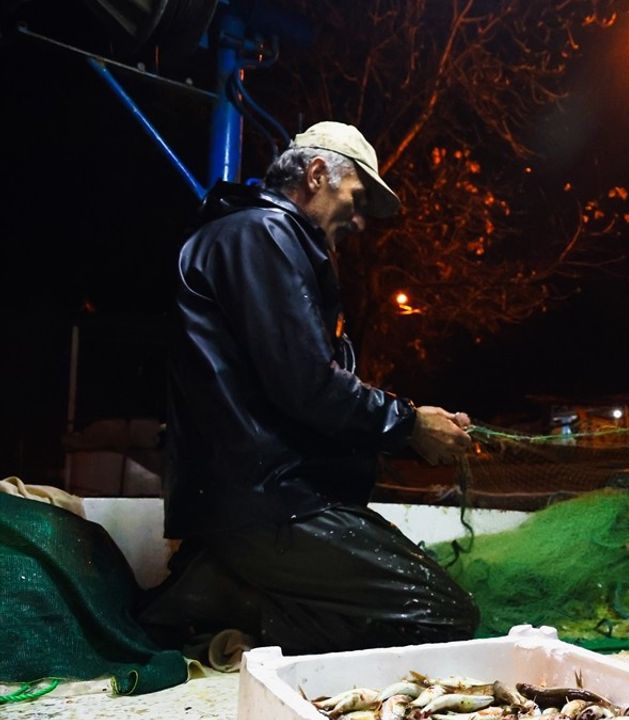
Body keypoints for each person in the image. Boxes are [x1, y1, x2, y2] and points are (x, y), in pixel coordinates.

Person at [138, 121, 480, 655]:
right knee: (442, 616)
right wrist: (409, 425)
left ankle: (226, 588)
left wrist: (404, 423)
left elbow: (302, 385)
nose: (362, 221)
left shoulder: (267, 241)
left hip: (272, 498)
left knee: (427, 602)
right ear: (318, 173)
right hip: (267, 501)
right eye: (358, 198)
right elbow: (308, 386)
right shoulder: (262, 235)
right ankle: (219, 596)